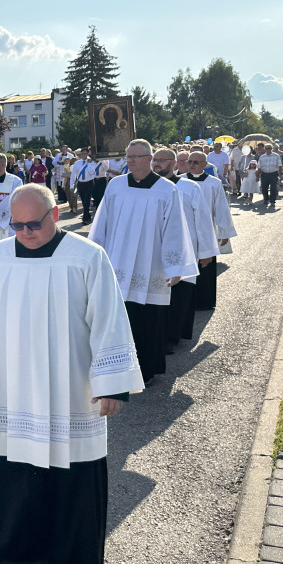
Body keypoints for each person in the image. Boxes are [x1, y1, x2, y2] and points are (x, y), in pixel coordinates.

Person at [0, 184, 144, 564]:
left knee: (70, 472)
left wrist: (112, 384)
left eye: (33, 224)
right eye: (17, 224)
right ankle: (5, 543)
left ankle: (67, 558)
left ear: (55, 214)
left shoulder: (87, 257)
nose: (24, 231)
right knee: (11, 466)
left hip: (69, 391)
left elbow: (109, 321)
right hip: (10, 387)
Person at [88, 140, 198, 385]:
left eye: (136, 156)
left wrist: (175, 266)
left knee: (148, 316)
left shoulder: (166, 190)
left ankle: (147, 369)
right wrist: (95, 254)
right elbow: (102, 222)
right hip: (117, 262)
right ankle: (116, 368)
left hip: (150, 264)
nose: (130, 161)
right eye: (128, 156)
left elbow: (175, 230)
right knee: (118, 316)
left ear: (149, 159)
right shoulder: (115, 186)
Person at [151, 149, 218, 348]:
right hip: (155, 249)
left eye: (162, 160)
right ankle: (160, 335)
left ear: (174, 164)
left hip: (184, 248)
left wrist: (206, 251)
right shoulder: (149, 187)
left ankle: (173, 336)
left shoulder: (189, 187)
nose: (157, 163)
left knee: (179, 294)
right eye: (155, 159)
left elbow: (203, 220)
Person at [185, 151, 237, 311]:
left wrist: (224, 232)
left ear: (204, 165)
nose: (192, 165)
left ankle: (205, 300)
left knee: (205, 264)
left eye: (196, 162)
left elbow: (221, 208)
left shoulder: (213, 183)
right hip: (186, 230)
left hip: (207, 230)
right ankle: (188, 300)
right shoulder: (180, 181)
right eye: (190, 162)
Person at [73, 150, 100, 224]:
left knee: (87, 201)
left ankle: (85, 218)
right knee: (83, 201)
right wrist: (71, 185)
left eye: (85, 153)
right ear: (80, 154)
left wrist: (88, 164)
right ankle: (87, 215)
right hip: (81, 184)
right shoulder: (77, 163)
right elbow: (73, 174)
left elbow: (92, 172)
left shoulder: (91, 163)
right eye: (82, 154)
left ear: (88, 154)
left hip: (89, 183)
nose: (84, 155)